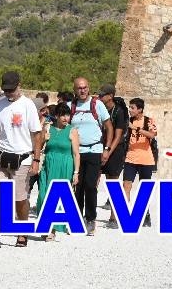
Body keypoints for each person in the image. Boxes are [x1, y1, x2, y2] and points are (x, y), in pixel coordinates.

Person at [0, 70, 42, 248]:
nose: (9, 93)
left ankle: (22, 232)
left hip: (22, 158)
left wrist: (36, 159)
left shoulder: (28, 105)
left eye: (11, 89)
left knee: (19, 199)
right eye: (6, 90)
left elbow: (37, 134)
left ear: (19, 85)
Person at [70, 77, 111, 235]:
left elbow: (109, 127)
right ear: (75, 89)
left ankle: (90, 219)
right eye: (79, 88)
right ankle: (78, 218)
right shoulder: (71, 106)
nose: (82, 90)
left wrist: (106, 148)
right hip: (77, 152)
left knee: (90, 185)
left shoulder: (97, 105)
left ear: (89, 88)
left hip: (94, 150)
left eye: (85, 87)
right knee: (77, 186)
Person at [37, 103, 80, 241]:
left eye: (67, 115)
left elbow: (76, 154)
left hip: (64, 167)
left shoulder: (72, 131)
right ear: (56, 116)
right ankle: (46, 223)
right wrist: (44, 138)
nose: (65, 118)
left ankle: (52, 229)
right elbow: (38, 146)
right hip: (48, 165)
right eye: (62, 115)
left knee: (58, 199)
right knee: (43, 196)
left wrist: (76, 172)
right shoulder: (48, 127)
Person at [122, 97, 158, 228]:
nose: (130, 110)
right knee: (126, 185)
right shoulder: (128, 121)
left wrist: (136, 129)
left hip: (146, 160)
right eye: (129, 107)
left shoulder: (148, 120)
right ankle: (125, 214)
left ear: (140, 109)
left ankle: (145, 214)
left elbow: (152, 135)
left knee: (144, 189)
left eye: (132, 108)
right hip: (130, 158)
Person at [98, 83, 129, 229]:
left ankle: (114, 217)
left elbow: (118, 135)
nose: (100, 97)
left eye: (102, 95)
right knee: (93, 179)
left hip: (115, 150)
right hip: (100, 146)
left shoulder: (119, 111)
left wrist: (108, 152)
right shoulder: (100, 109)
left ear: (110, 96)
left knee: (113, 182)